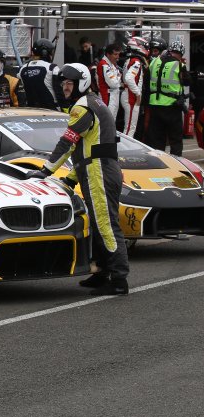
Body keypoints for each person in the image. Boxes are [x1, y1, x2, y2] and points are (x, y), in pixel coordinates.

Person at [26, 63, 129, 295]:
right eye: (63, 83)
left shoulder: (82, 108)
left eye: (70, 83)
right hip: (100, 168)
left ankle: (118, 279)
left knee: (105, 225)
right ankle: (102, 272)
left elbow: (67, 143)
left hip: (99, 172)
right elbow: (88, 149)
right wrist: (72, 178)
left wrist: (45, 170)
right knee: (99, 224)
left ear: (82, 83)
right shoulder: (94, 102)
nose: (65, 87)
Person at [146, 39, 190, 156]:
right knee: (175, 139)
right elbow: (187, 82)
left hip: (155, 105)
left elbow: (146, 81)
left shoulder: (154, 62)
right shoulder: (179, 65)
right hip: (172, 106)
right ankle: (176, 163)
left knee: (156, 139)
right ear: (181, 53)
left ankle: (158, 162)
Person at [18, 38, 62, 110]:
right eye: (50, 53)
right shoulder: (52, 68)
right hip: (51, 111)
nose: (51, 55)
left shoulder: (23, 69)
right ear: (45, 53)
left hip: (31, 110)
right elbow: (59, 93)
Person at [120, 36, 149, 139]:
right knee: (130, 128)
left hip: (127, 94)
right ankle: (125, 148)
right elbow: (129, 78)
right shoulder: (136, 61)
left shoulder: (129, 60)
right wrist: (138, 94)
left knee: (129, 127)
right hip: (131, 97)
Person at [95, 43, 123, 120]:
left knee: (112, 121)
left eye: (118, 54)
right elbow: (114, 84)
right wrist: (119, 77)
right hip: (107, 97)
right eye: (115, 54)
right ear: (108, 54)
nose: (118, 57)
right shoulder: (104, 65)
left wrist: (118, 78)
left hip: (113, 96)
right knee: (107, 121)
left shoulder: (111, 64)